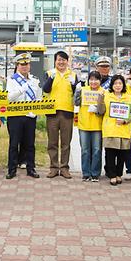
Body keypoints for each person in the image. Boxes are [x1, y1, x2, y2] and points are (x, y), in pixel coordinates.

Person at [42, 50, 78, 179]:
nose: (61, 62)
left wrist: (75, 84)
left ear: (67, 62)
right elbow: (45, 89)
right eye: (59, 60)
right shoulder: (49, 73)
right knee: (52, 142)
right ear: (55, 61)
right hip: (52, 112)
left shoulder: (73, 75)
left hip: (67, 112)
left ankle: (64, 168)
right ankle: (53, 167)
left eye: (64, 60)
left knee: (65, 143)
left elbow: (76, 94)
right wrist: (51, 78)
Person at [6, 53, 42, 179]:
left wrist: (35, 111)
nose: (25, 67)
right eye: (22, 64)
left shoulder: (34, 80)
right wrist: (21, 90)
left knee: (30, 144)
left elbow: (39, 98)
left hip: (30, 116)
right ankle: (11, 169)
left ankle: (30, 168)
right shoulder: (11, 80)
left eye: (27, 64)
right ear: (17, 66)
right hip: (15, 115)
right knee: (14, 144)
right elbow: (9, 98)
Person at [97, 74, 131, 186]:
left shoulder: (129, 97)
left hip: (123, 129)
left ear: (123, 85)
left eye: (120, 83)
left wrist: (125, 121)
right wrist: (100, 99)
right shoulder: (107, 96)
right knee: (110, 154)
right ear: (112, 85)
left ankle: (119, 174)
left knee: (122, 154)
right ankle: (112, 175)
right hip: (110, 129)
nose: (118, 86)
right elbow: (101, 111)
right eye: (115, 83)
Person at [74, 71, 104, 182]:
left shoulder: (103, 92)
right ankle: (86, 173)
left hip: (98, 126)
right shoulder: (83, 90)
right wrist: (77, 92)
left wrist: (98, 109)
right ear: (88, 80)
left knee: (97, 150)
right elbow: (76, 103)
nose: (93, 82)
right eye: (91, 79)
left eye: (96, 79)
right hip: (84, 125)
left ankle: (95, 174)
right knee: (85, 150)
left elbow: (103, 111)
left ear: (100, 81)